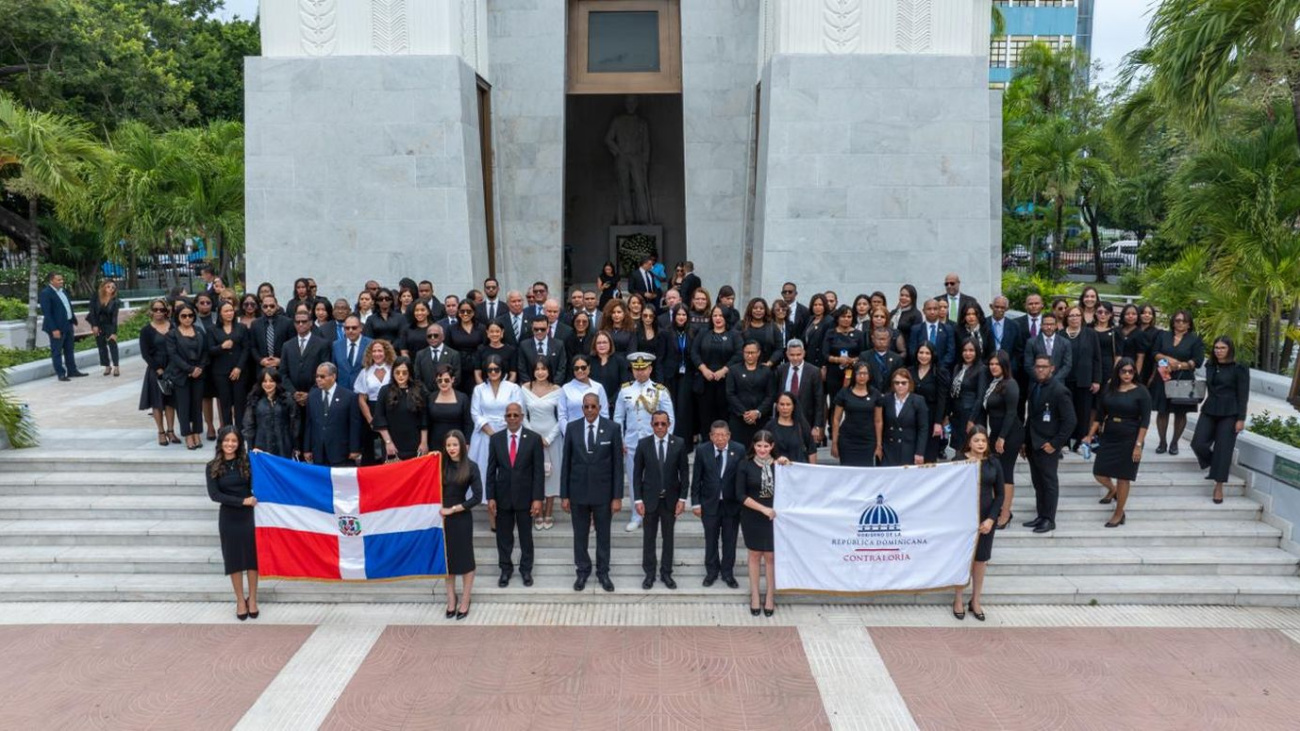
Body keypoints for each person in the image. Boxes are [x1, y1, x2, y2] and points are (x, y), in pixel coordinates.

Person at [561, 393, 625, 592]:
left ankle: (603, 572)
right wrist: (564, 495)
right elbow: (566, 464)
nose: (589, 410)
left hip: (603, 494)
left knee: (603, 536)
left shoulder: (613, 428)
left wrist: (617, 497)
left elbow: (617, 465)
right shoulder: (572, 428)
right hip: (578, 492)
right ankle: (582, 571)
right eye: (586, 407)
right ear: (582, 408)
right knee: (580, 536)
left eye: (593, 407)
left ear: (599, 407)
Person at [1082, 357, 1152, 527]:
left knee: (1123, 477)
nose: (1127, 374)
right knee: (1098, 471)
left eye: (1130, 371)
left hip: (1130, 436)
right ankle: (1112, 491)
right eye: (1123, 371)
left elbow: (1145, 421)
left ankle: (1119, 512)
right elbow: (1099, 415)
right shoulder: (1110, 389)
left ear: (1134, 372)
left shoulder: (1141, 391)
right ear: (1118, 372)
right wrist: (1089, 435)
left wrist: (1138, 445)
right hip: (1110, 434)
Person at [486, 402, 544, 588]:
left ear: (521, 417)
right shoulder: (496, 439)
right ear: (505, 418)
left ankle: (526, 570)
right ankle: (505, 569)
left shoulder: (534, 439)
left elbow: (538, 472)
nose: (512, 418)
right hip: (502, 497)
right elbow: (491, 470)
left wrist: (537, 498)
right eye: (509, 415)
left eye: (515, 415)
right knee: (503, 537)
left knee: (526, 537)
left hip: (526, 498)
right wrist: (491, 497)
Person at [615, 352, 676, 532]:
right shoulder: (625, 390)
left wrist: (666, 441)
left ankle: (656, 511)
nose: (640, 373)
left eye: (643, 369)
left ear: (650, 369)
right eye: (636, 369)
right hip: (632, 442)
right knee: (635, 479)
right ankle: (636, 514)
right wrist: (620, 440)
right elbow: (618, 417)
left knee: (655, 478)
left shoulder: (660, 390)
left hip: (654, 442)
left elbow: (669, 417)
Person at [631, 409, 689, 590]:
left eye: (663, 423)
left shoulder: (678, 443)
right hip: (649, 500)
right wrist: (638, 500)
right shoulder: (643, 444)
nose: (660, 427)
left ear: (669, 424)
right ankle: (649, 574)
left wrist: (682, 499)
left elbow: (685, 475)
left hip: (670, 501)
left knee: (668, 538)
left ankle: (666, 573)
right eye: (656, 424)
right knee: (649, 538)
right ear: (651, 425)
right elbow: (636, 475)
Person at [207, 426, 259, 620]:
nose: (230, 444)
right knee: (234, 561)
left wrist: (261, 458)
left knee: (252, 560)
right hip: (228, 517)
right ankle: (239, 600)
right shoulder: (212, 466)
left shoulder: (247, 462)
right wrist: (241, 501)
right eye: (226, 440)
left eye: (234, 441)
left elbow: (260, 480)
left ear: (239, 444)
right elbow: (215, 495)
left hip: (249, 517)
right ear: (220, 442)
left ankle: (253, 598)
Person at [951, 427, 1002, 622]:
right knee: (962, 559)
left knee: (981, 560)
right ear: (969, 442)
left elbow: (1000, 495)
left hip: (986, 519)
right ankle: (958, 599)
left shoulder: (994, 462)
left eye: (983, 440)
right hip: (963, 519)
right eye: (976, 440)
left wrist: (991, 519)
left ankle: (976, 600)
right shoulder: (958, 460)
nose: (981, 444)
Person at [1192, 337, 1250, 505]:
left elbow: (1243, 395)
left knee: (1223, 449)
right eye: (1216, 347)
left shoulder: (1239, 368)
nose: (1218, 350)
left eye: (1222, 348)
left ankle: (1218, 486)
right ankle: (1216, 464)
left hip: (1230, 412)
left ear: (1229, 349)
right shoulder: (1210, 365)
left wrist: (1241, 418)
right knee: (1198, 443)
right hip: (1210, 409)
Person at [1023, 355, 1076, 534]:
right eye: (1037, 366)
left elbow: (1070, 421)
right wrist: (1025, 441)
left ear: (1052, 368)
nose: (1040, 370)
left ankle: (1049, 519)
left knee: (1049, 482)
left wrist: (1055, 444)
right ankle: (1041, 515)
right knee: (1038, 482)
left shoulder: (1059, 390)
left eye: (1044, 367)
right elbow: (1031, 417)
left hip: (1047, 445)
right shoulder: (1035, 387)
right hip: (1033, 443)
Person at [969, 351, 1022, 529]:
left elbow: (1011, 413)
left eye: (997, 364)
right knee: (998, 474)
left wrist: (1002, 438)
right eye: (991, 364)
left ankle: (1006, 514)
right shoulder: (993, 383)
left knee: (1006, 473)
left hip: (1009, 435)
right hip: (995, 433)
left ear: (1004, 366)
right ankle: (1001, 510)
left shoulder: (1010, 384)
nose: (993, 367)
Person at [738, 430, 787, 617]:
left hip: (774, 517)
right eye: (759, 446)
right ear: (754, 446)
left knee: (771, 557)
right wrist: (763, 509)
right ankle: (755, 596)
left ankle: (770, 597)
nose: (762, 449)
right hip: (753, 515)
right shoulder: (745, 465)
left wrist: (787, 464)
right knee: (754, 555)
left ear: (772, 447)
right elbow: (740, 495)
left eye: (766, 446)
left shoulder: (779, 466)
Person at [691, 420, 745, 589]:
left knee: (729, 540)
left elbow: (742, 478)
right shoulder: (702, 450)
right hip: (709, 504)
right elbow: (697, 479)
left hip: (731, 504)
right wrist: (695, 503)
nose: (720, 438)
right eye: (716, 435)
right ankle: (712, 572)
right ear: (711, 436)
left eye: (723, 435)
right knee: (711, 539)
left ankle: (728, 573)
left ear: (729, 435)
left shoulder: (739, 450)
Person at [438, 430, 481, 620]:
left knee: (465, 560)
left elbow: (477, 497)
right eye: (448, 445)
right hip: (442, 518)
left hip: (461, 517)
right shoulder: (440, 465)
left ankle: (465, 599)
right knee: (448, 561)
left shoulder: (471, 467)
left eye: (455, 445)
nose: (451, 449)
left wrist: (454, 509)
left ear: (462, 446)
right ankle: (451, 599)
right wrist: (430, 458)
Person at [1150, 310, 1205, 455]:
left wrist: (1179, 365)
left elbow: (1197, 361)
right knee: (1163, 411)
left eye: (1184, 321)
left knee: (1181, 412)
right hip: (1164, 377)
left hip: (1184, 379)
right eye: (1177, 320)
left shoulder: (1195, 339)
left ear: (1189, 324)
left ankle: (1174, 443)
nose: (1180, 323)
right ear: (1173, 322)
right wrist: (1167, 360)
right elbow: (1154, 352)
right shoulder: (1163, 335)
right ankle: (1162, 442)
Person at [521, 359, 566, 530]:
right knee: (534, 474)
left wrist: (549, 437)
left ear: (549, 371)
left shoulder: (557, 390)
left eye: (544, 369)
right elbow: (522, 415)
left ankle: (548, 512)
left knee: (552, 475)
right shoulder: (524, 389)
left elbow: (561, 416)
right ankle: (537, 512)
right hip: (531, 435)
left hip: (552, 437)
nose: (540, 372)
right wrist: (534, 436)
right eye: (537, 369)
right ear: (533, 371)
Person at [469, 354, 525, 489]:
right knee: (484, 465)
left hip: (508, 431)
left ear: (502, 370)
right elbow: (475, 413)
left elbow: (518, 410)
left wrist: (506, 430)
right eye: (490, 370)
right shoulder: (479, 389)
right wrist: (491, 433)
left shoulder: (513, 388)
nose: (493, 372)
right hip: (484, 433)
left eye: (496, 369)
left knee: (506, 466)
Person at [691, 306, 740, 439]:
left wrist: (724, 370)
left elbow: (739, 354)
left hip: (725, 381)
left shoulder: (734, 335)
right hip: (705, 381)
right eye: (715, 315)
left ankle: (723, 443)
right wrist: (704, 369)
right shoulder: (703, 333)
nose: (717, 318)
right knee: (705, 415)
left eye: (721, 316)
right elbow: (694, 352)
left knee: (723, 414)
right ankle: (706, 444)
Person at [167, 302, 210, 450]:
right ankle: (187, 434)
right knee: (183, 406)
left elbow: (205, 351)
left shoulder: (199, 331)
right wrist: (190, 369)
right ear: (178, 317)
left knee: (197, 405)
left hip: (199, 374)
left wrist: (199, 368)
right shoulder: (172, 334)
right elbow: (173, 355)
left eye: (190, 315)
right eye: (183, 316)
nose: (187, 318)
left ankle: (197, 432)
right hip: (181, 375)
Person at [303, 362, 362, 466]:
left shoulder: (349, 396)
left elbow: (354, 425)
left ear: (333, 376)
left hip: (341, 452)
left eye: (322, 376)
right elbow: (309, 424)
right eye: (316, 376)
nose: (318, 379)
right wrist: (307, 448)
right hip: (319, 452)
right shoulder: (312, 396)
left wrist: (355, 449)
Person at [1061, 306, 1103, 451]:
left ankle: (1080, 443)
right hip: (1064, 380)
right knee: (1065, 412)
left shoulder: (1090, 334)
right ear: (1066, 318)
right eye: (1071, 316)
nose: (1074, 318)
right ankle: (1065, 442)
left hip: (1085, 380)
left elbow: (1097, 358)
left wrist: (1097, 380)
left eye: (1077, 315)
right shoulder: (1060, 334)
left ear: (1082, 317)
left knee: (1084, 414)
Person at [372, 357, 428, 460]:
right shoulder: (385, 390)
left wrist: (424, 442)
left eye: (404, 373)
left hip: (415, 445)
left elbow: (424, 419)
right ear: (392, 373)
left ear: (410, 373)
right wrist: (388, 442)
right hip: (392, 444)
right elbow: (379, 418)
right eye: (397, 372)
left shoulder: (419, 389)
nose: (401, 376)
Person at [281, 309, 332, 420]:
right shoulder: (287, 345)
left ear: (310, 323)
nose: (300, 324)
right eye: (297, 322)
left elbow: (325, 372)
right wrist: (294, 393)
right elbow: (283, 373)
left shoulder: (322, 344)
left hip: (316, 396)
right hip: (293, 399)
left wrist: (310, 394)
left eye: (304, 321)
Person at [140, 298, 178, 446]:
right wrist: (158, 369)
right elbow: (145, 354)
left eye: (161, 309)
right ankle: (161, 432)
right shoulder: (146, 330)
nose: (158, 312)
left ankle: (171, 430)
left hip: (173, 367)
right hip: (156, 368)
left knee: (170, 402)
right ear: (151, 311)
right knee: (157, 403)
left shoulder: (173, 326)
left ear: (166, 311)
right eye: (155, 309)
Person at [775, 339, 826, 445]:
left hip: (806, 419)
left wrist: (817, 426)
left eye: (798, 354)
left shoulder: (814, 371)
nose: (795, 358)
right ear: (787, 354)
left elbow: (819, 401)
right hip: (784, 418)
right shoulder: (781, 370)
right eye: (792, 355)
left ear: (804, 353)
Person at [832, 362, 884, 466]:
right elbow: (836, 419)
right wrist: (834, 443)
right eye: (859, 373)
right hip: (847, 440)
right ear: (853, 375)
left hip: (868, 440)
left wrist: (879, 444)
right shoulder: (844, 393)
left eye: (865, 373)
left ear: (869, 375)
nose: (862, 376)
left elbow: (878, 421)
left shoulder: (875, 394)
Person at [209, 301, 250, 430]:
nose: (229, 313)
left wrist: (239, 367)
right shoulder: (212, 329)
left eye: (231, 310)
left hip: (239, 370)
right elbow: (210, 350)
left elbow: (246, 349)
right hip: (220, 372)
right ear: (220, 313)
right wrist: (221, 347)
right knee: (225, 402)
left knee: (239, 401)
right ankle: (227, 429)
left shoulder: (241, 327)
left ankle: (239, 429)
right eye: (226, 311)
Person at [725, 341, 775, 448]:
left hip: (761, 419)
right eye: (747, 352)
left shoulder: (767, 371)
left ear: (759, 353)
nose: (750, 355)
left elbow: (770, 395)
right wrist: (745, 413)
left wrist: (757, 412)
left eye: (753, 352)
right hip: (738, 418)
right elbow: (730, 394)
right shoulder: (734, 370)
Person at [353, 340, 395, 465]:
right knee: (371, 450)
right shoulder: (365, 372)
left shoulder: (393, 370)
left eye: (380, 351)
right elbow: (361, 399)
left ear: (386, 352)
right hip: (371, 411)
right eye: (374, 351)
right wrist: (371, 420)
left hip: (391, 410)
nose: (377, 354)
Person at [38, 272, 86, 381]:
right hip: (56, 328)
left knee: (69, 349)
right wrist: (54, 329)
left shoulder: (63, 291)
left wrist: (72, 320)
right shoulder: (46, 293)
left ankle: (72, 371)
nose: (61, 281)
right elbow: (47, 313)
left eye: (62, 279)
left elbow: (67, 307)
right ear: (51, 281)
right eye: (58, 280)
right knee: (57, 351)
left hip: (68, 324)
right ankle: (61, 374)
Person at [242, 367, 297, 458]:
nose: (268, 384)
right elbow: (248, 426)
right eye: (264, 381)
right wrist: (251, 448)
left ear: (277, 382)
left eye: (271, 381)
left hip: (284, 446)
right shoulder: (254, 400)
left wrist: (296, 446)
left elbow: (294, 423)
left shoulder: (287, 399)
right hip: (261, 447)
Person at [909, 342, 949, 462]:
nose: (924, 356)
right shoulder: (910, 371)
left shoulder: (939, 372)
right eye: (921, 352)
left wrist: (938, 422)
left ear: (932, 355)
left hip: (931, 416)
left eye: (927, 353)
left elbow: (942, 399)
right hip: (912, 416)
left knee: (929, 454)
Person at [948, 340, 988, 457]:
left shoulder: (982, 369)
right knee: (959, 450)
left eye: (971, 350)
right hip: (957, 415)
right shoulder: (958, 367)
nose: (967, 353)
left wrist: (971, 420)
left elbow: (980, 397)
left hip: (972, 415)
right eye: (965, 350)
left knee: (970, 449)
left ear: (977, 352)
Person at [881, 369, 928, 466]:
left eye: (903, 383)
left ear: (910, 383)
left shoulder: (918, 401)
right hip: (888, 448)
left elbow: (923, 428)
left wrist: (919, 452)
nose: (900, 386)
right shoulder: (886, 399)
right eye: (897, 383)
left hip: (909, 449)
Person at [662, 306, 694, 440]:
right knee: (671, 407)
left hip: (686, 375)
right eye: (678, 315)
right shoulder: (666, 333)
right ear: (674, 316)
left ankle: (684, 441)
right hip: (670, 375)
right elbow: (661, 357)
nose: (681, 317)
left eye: (684, 315)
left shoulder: (692, 332)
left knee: (684, 409)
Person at [426, 364, 473, 450]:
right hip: (435, 443)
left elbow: (468, 423)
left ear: (453, 380)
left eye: (447, 380)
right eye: (440, 380)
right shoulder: (431, 397)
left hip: (456, 443)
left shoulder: (462, 398)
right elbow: (426, 422)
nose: (443, 383)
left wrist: (467, 443)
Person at [822, 305, 864, 397]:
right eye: (843, 316)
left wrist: (852, 360)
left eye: (849, 317)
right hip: (834, 372)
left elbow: (863, 354)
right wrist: (838, 360)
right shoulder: (830, 333)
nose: (846, 319)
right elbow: (825, 354)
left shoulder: (859, 334)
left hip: (853, 371)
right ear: (837, 318)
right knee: (835, 400)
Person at [766, 391, 817, 464]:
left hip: (798, 471)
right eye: (782, 404)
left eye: (788, 404)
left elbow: (811, 450)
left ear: (793, 407)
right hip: (776, 470)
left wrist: (812, 471)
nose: (785, 407)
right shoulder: (770, 426)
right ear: (777, 406)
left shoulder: (802, 426)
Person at [447, 300, 487, 393]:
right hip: (458, 366)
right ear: (458, 312)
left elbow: (485, 347)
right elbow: (448, 348)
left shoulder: (482, 328)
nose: (465, 314)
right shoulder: (451, 328)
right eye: (462, 311)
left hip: (477, 367)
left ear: (473, 312)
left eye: (469, 311)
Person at [588, 331, 629, 417]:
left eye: (604, 342)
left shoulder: (619, 360)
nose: (602, 345)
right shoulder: (589, 361)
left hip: (615, 406)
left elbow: (624, 384)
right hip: (593, 405)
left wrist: (611, 401)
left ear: (610, 344)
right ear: (594, 345)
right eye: (599, 343)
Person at [561, 354, 610, 425]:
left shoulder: (598, 387)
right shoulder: (565, 388)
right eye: (576, 368)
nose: (580, 370)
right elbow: (562, 416)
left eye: (583, 367)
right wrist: (568, 433)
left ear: (589, 367)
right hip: (572, 432)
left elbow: (604, 414)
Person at [1023, 312, 1072, 384]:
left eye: (1051, 324)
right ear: (1041, 325)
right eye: (1046, 324)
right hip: (1037, 383)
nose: (1049, 327)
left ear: (1056, 326)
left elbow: (1067, 365)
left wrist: (1054, 379)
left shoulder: (1065, 343)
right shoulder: (1031, 342)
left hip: (1058, 384)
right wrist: (1041, 377)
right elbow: (1028, 365)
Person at [517, 315, 568, 384]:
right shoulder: (524, 345)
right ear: (532, 329)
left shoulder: (558, 345)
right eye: (536, 329)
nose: (539, 332)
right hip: (530, 388)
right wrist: (531, 386)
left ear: (548, 329)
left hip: (553, 388)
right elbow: (522, 369)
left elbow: (561, 368)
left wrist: (553, 386)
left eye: (542, 329)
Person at [909, 298, 956, 371]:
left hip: (942, 370)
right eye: (929, 309)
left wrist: (940, 367)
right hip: (920, 369)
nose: (932, 312)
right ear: (923, 311)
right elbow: (912, 350)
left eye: (935, 309)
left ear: (939, 310)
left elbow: (951, 352)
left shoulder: (948, 329)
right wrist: (922, 365)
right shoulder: (916, 329)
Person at [250, 295, 293, 372]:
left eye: (272, 306)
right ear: (261, 307)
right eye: (265, 306)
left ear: (277, 306)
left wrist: (281, 360)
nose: (269, 309)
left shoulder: (288, 322)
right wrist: (261, 360)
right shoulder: (255, 324)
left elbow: (292, 345)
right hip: (262, 367)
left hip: (283, 366)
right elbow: (253, 347)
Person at [413, 323, 462, 391]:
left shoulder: (453, 354)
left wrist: (444, 390)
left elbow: (456, 378)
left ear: (443, 337)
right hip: (426, 396)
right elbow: (417, 378)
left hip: (446, 395)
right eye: (429, 336)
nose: (432, 338)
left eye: (435, 335)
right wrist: (426, 393)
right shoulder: (420, 355)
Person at [89, 279, 122, 376]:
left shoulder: (115, 301)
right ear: (103, 287)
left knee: (112, 344)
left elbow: (114, 318)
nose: (110, 289)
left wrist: (114, 332)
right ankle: (107, 366)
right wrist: (94, 325)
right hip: (98, 325)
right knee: (101, 346)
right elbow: (92, 312)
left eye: (113, 288)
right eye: (108, 286)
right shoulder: (95, 297)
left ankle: (116, 366)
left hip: (109, 325)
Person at [474, 320, 517, 384]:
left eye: (497, 331)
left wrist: (506, 389)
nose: (494, 334)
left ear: (502, 332)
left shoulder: (510, 350)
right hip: (485, 387)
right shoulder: (481, 349)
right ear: (487, 332)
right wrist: (483, 389)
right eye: (491, 331)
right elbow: (477, 373)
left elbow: (513, 374)